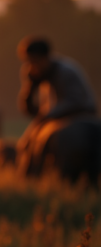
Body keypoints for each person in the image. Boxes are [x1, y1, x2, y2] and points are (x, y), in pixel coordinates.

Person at [16, 37, 98, 176]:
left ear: (44, 58)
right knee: (27, 141)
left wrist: (48, 115)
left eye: (33, 61)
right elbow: (29, 111)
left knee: (42, 138)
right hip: (54, 118)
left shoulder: (66, 71)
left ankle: (33, 176)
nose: (31, 66)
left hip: (80, 114)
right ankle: (28, 177)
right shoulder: (40, 75)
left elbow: (76, 101)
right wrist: (30, 88)